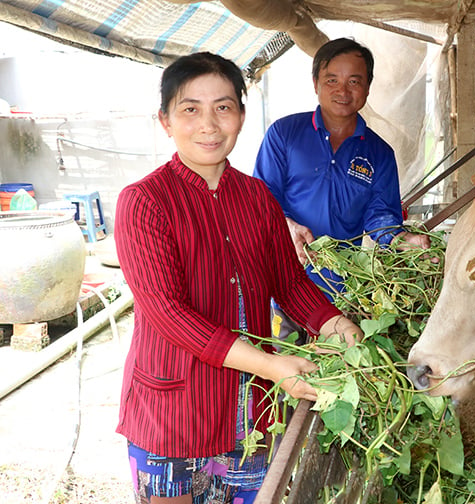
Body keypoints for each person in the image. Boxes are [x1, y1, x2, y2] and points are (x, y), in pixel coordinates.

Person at [114, 51, 362, 504]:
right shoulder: (144, 201)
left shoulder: (257, 198)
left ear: (242, 116)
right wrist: (271, 366)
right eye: (190, 109)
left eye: (223, 107)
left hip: (250, 415)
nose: (209, 124)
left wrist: (335, 323)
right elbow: (168, 313)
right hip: (172, 415)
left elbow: (288, 284)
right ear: (166, 120)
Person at [253, 38, 432, 333]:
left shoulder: (379, 153)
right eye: (332, 79)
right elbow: (261, 198)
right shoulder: (284, 135)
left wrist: (402, 240)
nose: (342, 91)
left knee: (335, 368)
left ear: (368, 87)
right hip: (282, 284)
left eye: (354, 81)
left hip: (343, 290)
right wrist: (286, 225)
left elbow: (381, 217)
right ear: (315, 83)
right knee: (283, 368)